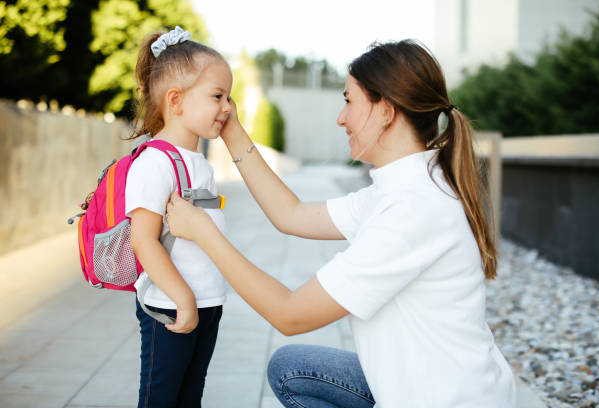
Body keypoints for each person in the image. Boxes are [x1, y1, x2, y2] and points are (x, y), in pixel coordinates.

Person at [166, 40, 516, 407]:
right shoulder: (403, 187)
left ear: (385, 111)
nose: (341, 117)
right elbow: (292, 215)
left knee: (292, 363)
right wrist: (231, 130)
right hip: (426, 384)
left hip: (447, 400)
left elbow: (290, 314)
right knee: (291, 369)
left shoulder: (412, 209)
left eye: (349, 101)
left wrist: (205, 234)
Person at [125, 26, 232, 407]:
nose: (227, 107)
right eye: (217, 96)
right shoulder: (153, 162)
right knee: (160, 399)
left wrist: (202, 299)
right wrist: (183, 297)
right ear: (176, 100)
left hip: (206, 303)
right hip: (169, 306)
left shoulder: (198, 161)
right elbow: (143, 239)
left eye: (229, 97)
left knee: (190, 400)